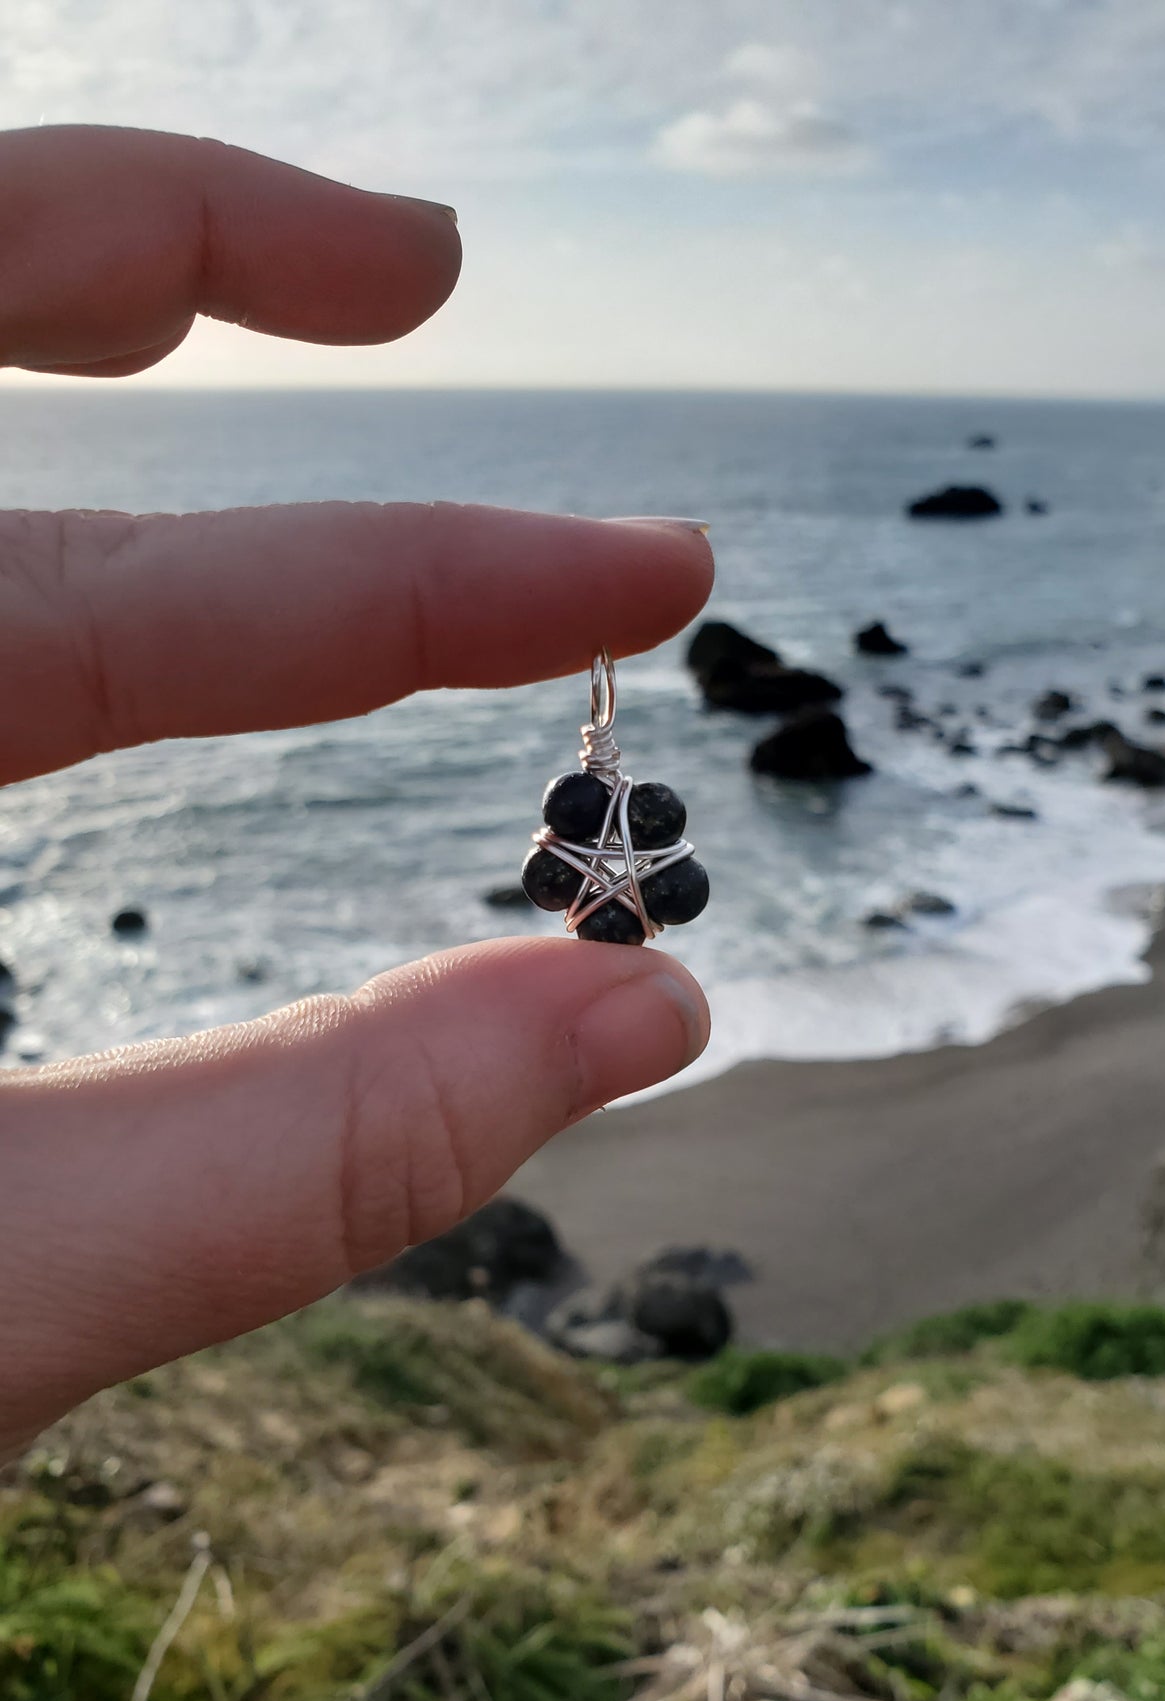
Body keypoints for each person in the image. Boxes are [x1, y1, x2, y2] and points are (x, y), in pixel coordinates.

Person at [0, 125, 714, 1457]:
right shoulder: (598, 844)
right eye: (609, 852)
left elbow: (605, 855)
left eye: (616, 854)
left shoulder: (599, 844)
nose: (613, 857)